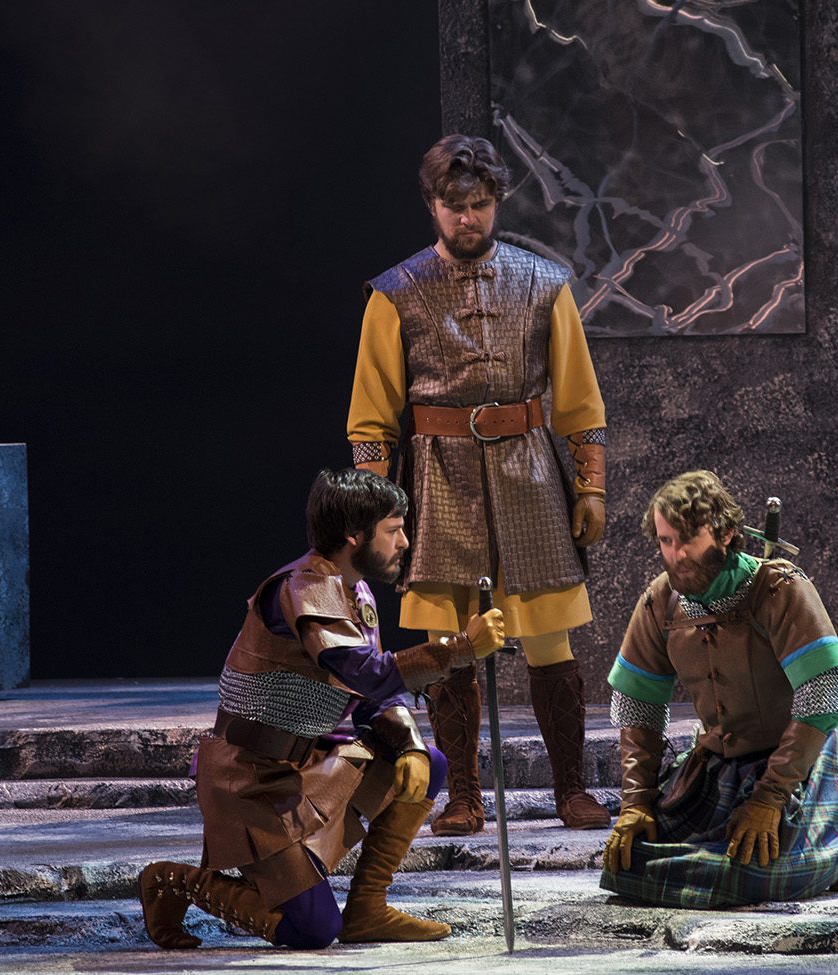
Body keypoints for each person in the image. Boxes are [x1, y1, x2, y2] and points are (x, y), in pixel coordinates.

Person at [347, 133, 610, 834]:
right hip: (439, 481)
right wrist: (376, 514)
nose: (468, 218)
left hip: (530, 475)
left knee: (551, 643)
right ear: (431, 206)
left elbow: (579, 400)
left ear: (498, 202)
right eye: (454, 206)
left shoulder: (545, 283)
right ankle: (462, 795)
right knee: (449, 648)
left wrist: (590, 486)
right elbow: (372, 417)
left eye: (481, 204)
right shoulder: (395, 293)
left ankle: (571, 790)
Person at [138, 468, 505, 950]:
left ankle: (367, 908)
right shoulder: (304, 588)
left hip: (308, 764)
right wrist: (461, 648)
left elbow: (373, 694)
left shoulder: (356, 591)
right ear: (354, 535)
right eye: (393, 530)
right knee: (311, 931)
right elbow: (365, 673)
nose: (404, 542)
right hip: (250, 780)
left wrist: (412, 743)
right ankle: (173, 881)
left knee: (426, 761)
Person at [599, 470, 838, 908]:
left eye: (687, 540)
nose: (675, 555)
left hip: (800, 758)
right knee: (626, 865)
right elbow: (638, 705)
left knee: (762, 875)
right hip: (720, 767)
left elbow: (823, 697)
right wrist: (636, 802)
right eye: (666, 541)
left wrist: (770, 798)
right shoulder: (660, 601)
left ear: (725, 533)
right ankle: (820, 849)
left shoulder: (779, 588)